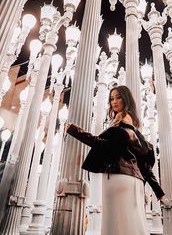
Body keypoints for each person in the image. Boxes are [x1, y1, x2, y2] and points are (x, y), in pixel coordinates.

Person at [66, 85, 165, 235]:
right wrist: (159, 191)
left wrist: (74, 130)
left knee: (114, 228)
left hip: (118, 177)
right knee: (133, 227)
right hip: (134, 181)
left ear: (126, 99)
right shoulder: (133, 127)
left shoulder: (121, 121)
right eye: (112, 98)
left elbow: (103, 144)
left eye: (118, 97)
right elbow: (144, 164)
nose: (114, 101)